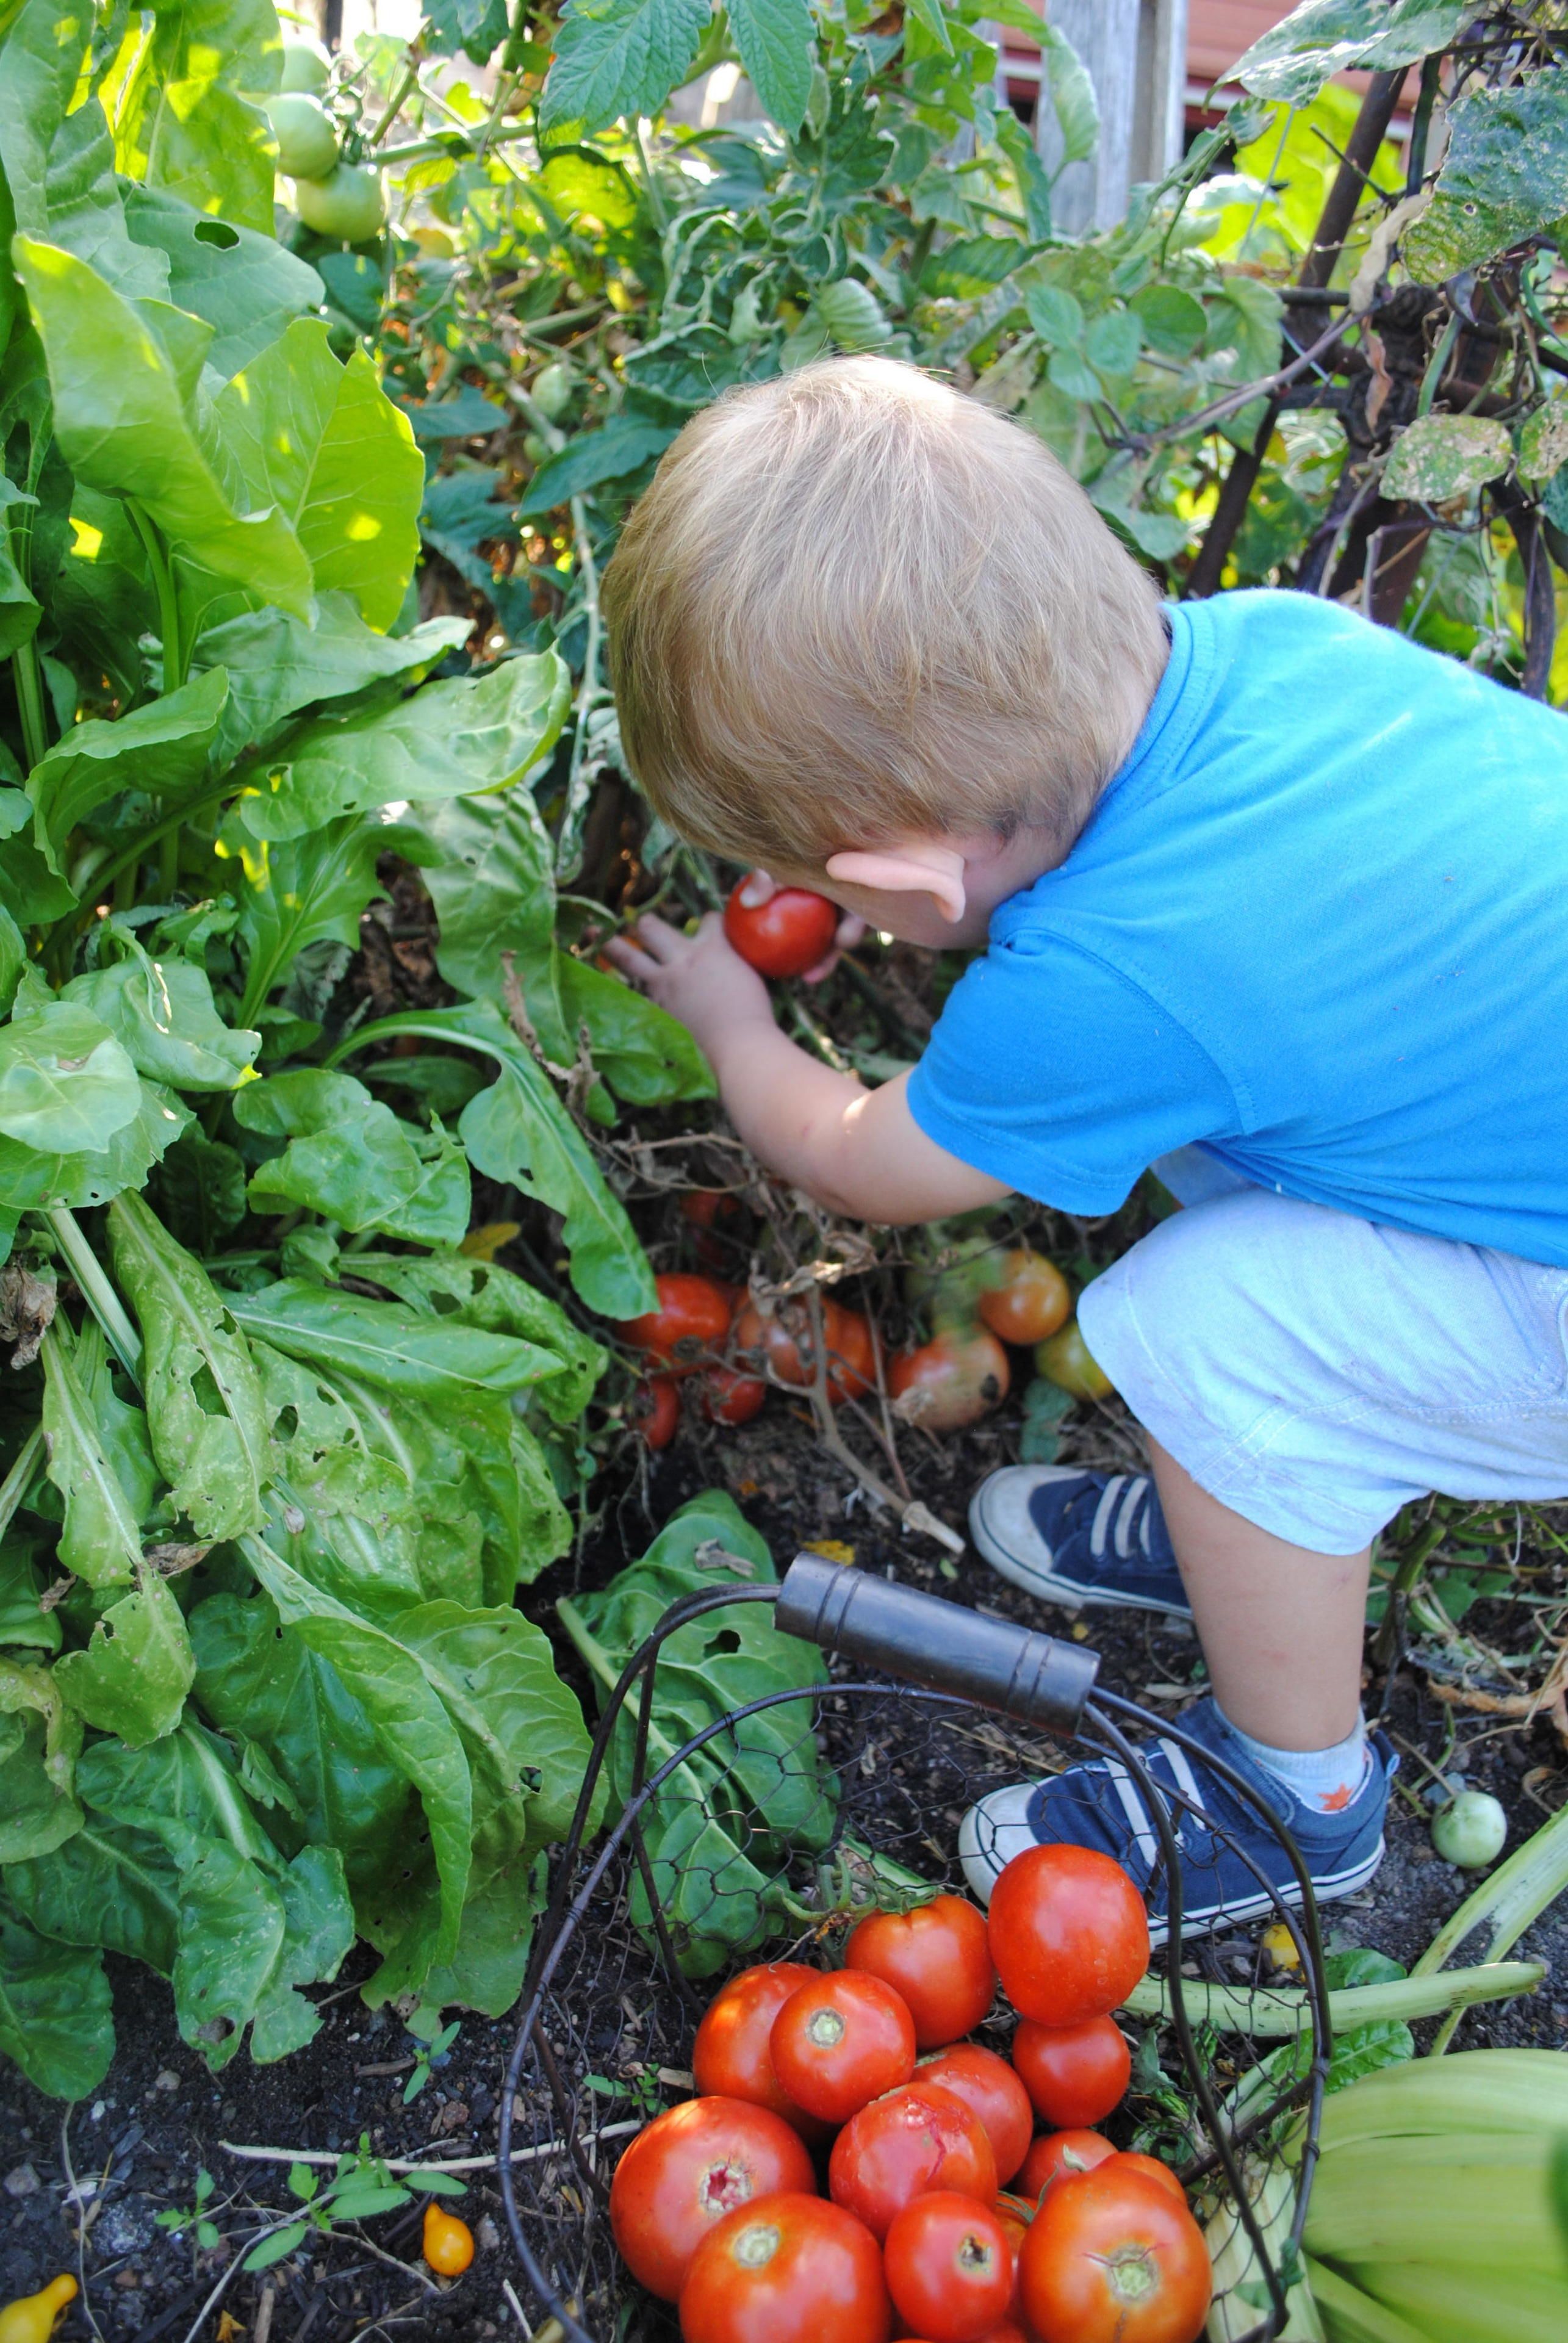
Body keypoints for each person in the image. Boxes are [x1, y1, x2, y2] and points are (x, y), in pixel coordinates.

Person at [601, 355, 1568, 1938]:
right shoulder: (1269, 647)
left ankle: (1293, 1797)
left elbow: (858, 1162)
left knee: (1215, 1322)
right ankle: (1253, 1510)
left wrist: (731, 1023)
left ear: (910, 887)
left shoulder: (1104, 990)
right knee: (1249, 1179)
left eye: (833, 892)